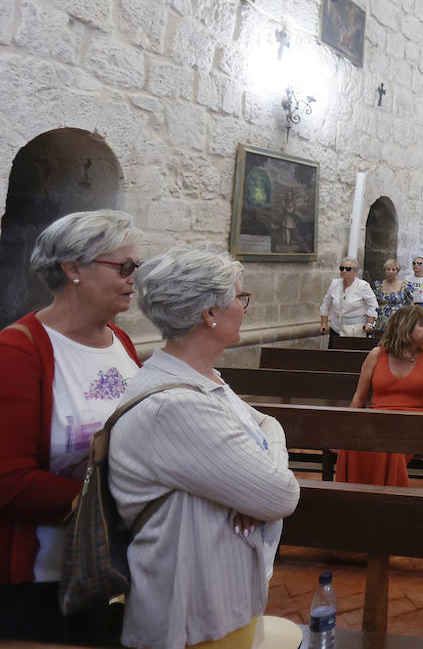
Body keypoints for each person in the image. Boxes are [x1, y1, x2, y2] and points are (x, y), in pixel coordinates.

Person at [109, 247, 299, 649]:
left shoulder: (200, 378)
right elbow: (282, 493)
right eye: (239, 297)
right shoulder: (176, 405)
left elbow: (268, 424)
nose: (245, 307)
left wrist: (258, 467)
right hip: (192, 619)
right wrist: (262, 478)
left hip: (222, 605)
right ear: (208, 313)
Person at [0, 210, 143, 642]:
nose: (133, 279)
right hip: (29, 578)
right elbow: (0, 481)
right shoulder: (16, 352)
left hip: (104, 564)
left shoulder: (119, 341)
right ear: (73, 269)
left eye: (135, 268)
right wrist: (120, 507)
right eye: (123, 267)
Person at [336, 305, 423, 486]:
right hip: (377, 420)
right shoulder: (376, 355)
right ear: (405, 327)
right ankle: (356, 498)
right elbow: (359, 398)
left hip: (412, 423)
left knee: (390, 444)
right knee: (353, 445)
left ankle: (389, 500)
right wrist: (346, 431)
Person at [319, 257, 376, 346]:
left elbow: (373, 306)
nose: (344, 271)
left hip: (355, 330)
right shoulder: (335, 284)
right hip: (336, 328)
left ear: (355, 271)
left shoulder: (363, 286)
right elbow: (325, 305)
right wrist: (324, 323)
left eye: (348, 269)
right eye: (342, 268)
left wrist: (369, 323)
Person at [373, 258, 417, 330]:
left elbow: (411, 304)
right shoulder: (378, 285)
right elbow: (374, 303)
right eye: (388, 269)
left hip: (400, 322)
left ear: (397, 271)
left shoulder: (405, 285)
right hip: (382, 322)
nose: (390, 272)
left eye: (393, 269)